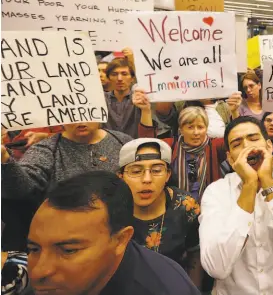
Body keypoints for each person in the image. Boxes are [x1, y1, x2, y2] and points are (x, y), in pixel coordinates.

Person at [199, 116, 273, 295]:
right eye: (237, 143)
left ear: (269, 147)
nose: (247, 146)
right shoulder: (216, 193)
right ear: (231, 159)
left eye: (254, 138)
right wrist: (249, 185)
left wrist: (267, 181)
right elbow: (216, 267)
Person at [27, 171, 200, 295]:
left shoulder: (165, 288)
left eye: (68, 250)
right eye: (34, 249)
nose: (38, 272)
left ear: (120, 240)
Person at [117, 138, 203, 288]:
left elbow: (195, 254)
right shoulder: (110, 209)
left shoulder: (185, 207)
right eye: (136, 171)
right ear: (121, 176)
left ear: (168, 175)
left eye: (157, 170)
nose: (147, 179)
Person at [1, 122, 131, 200]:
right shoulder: (46, 149)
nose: (80, 119)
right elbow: (21, 189)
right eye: (73, 113)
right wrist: (5, 160)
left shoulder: (123, 141)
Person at [141, 106, 226, 201]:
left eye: (200, 127)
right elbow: (147, 144)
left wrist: (234, 112)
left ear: (206, 129)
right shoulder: (171, 146)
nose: (196, 132)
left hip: (209, 207)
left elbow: (235, 140)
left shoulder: (214, 146)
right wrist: (146, 111)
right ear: (181, 129)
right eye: (190, 127)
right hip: (176, 208)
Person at [102, 57, 141, 138]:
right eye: (114, 74)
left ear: (132, 78)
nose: (119, 79)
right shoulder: (101, 99)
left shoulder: (139, 99)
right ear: (109, 78)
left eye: (124, 74)